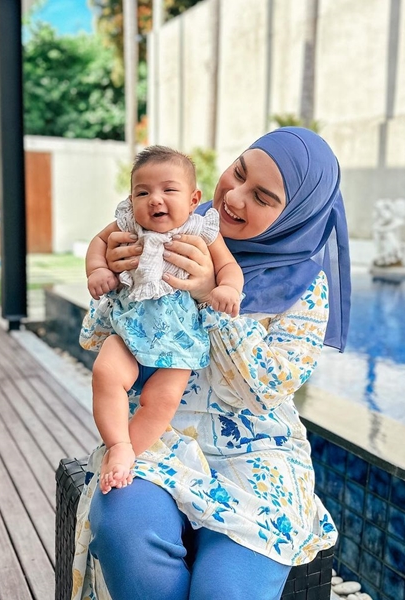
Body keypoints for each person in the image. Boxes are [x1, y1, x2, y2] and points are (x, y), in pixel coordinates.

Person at [69, 127, 350, 600]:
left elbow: (263, 389)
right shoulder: (167, 227)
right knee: (125, 534)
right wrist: (114, 279)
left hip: (256, 455)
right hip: (157, 438)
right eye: (238, 172)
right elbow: (94, 338)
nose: (234, 198)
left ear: (297, 214)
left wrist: (209, 298)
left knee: (227, 590)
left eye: (262, 196)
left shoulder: (306, 287)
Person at [84, 145, 244, 494]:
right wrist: (98, 269)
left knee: (162, 402)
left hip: (178, 341)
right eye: (143, 192)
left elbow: (229, 266)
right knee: (105, 372)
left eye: (168, 190)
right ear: (131, 199)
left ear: (193, 199)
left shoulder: (202, 229)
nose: (155, 200)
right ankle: (118, 444)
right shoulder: (128, 224)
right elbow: (98, 241)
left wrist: (227, 288)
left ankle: (129, 453)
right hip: (129, 331)